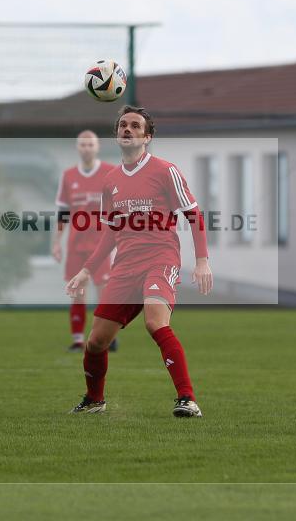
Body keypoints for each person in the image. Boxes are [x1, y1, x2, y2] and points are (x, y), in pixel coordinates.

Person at [66, 105, 212, 418]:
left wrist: (202, 261)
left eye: (135, 126)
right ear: (117, 135)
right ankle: (94, 400)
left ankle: (187, 399)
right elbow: (110, 234)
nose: (128, 129)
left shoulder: (164, 170)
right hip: (125, 267)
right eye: (123, 125)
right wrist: (86, 270)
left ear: (147, 137)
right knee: (95, 343)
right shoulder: (110, 180)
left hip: (160, 258)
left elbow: (194, 215)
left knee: (155, 322)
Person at [52, 130, 116, 352]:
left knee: (104, 289)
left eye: (90, 145)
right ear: (77, 148)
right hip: (76, 244)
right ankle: (78, 339)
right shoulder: (68, 176)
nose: (87, 148)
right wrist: (56, 241)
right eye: (83, 145)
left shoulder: (110, 173)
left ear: (97, 147)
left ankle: (108, 335)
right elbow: (63, 211)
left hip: (101, 243)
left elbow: (118, 208)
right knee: (77, 291)